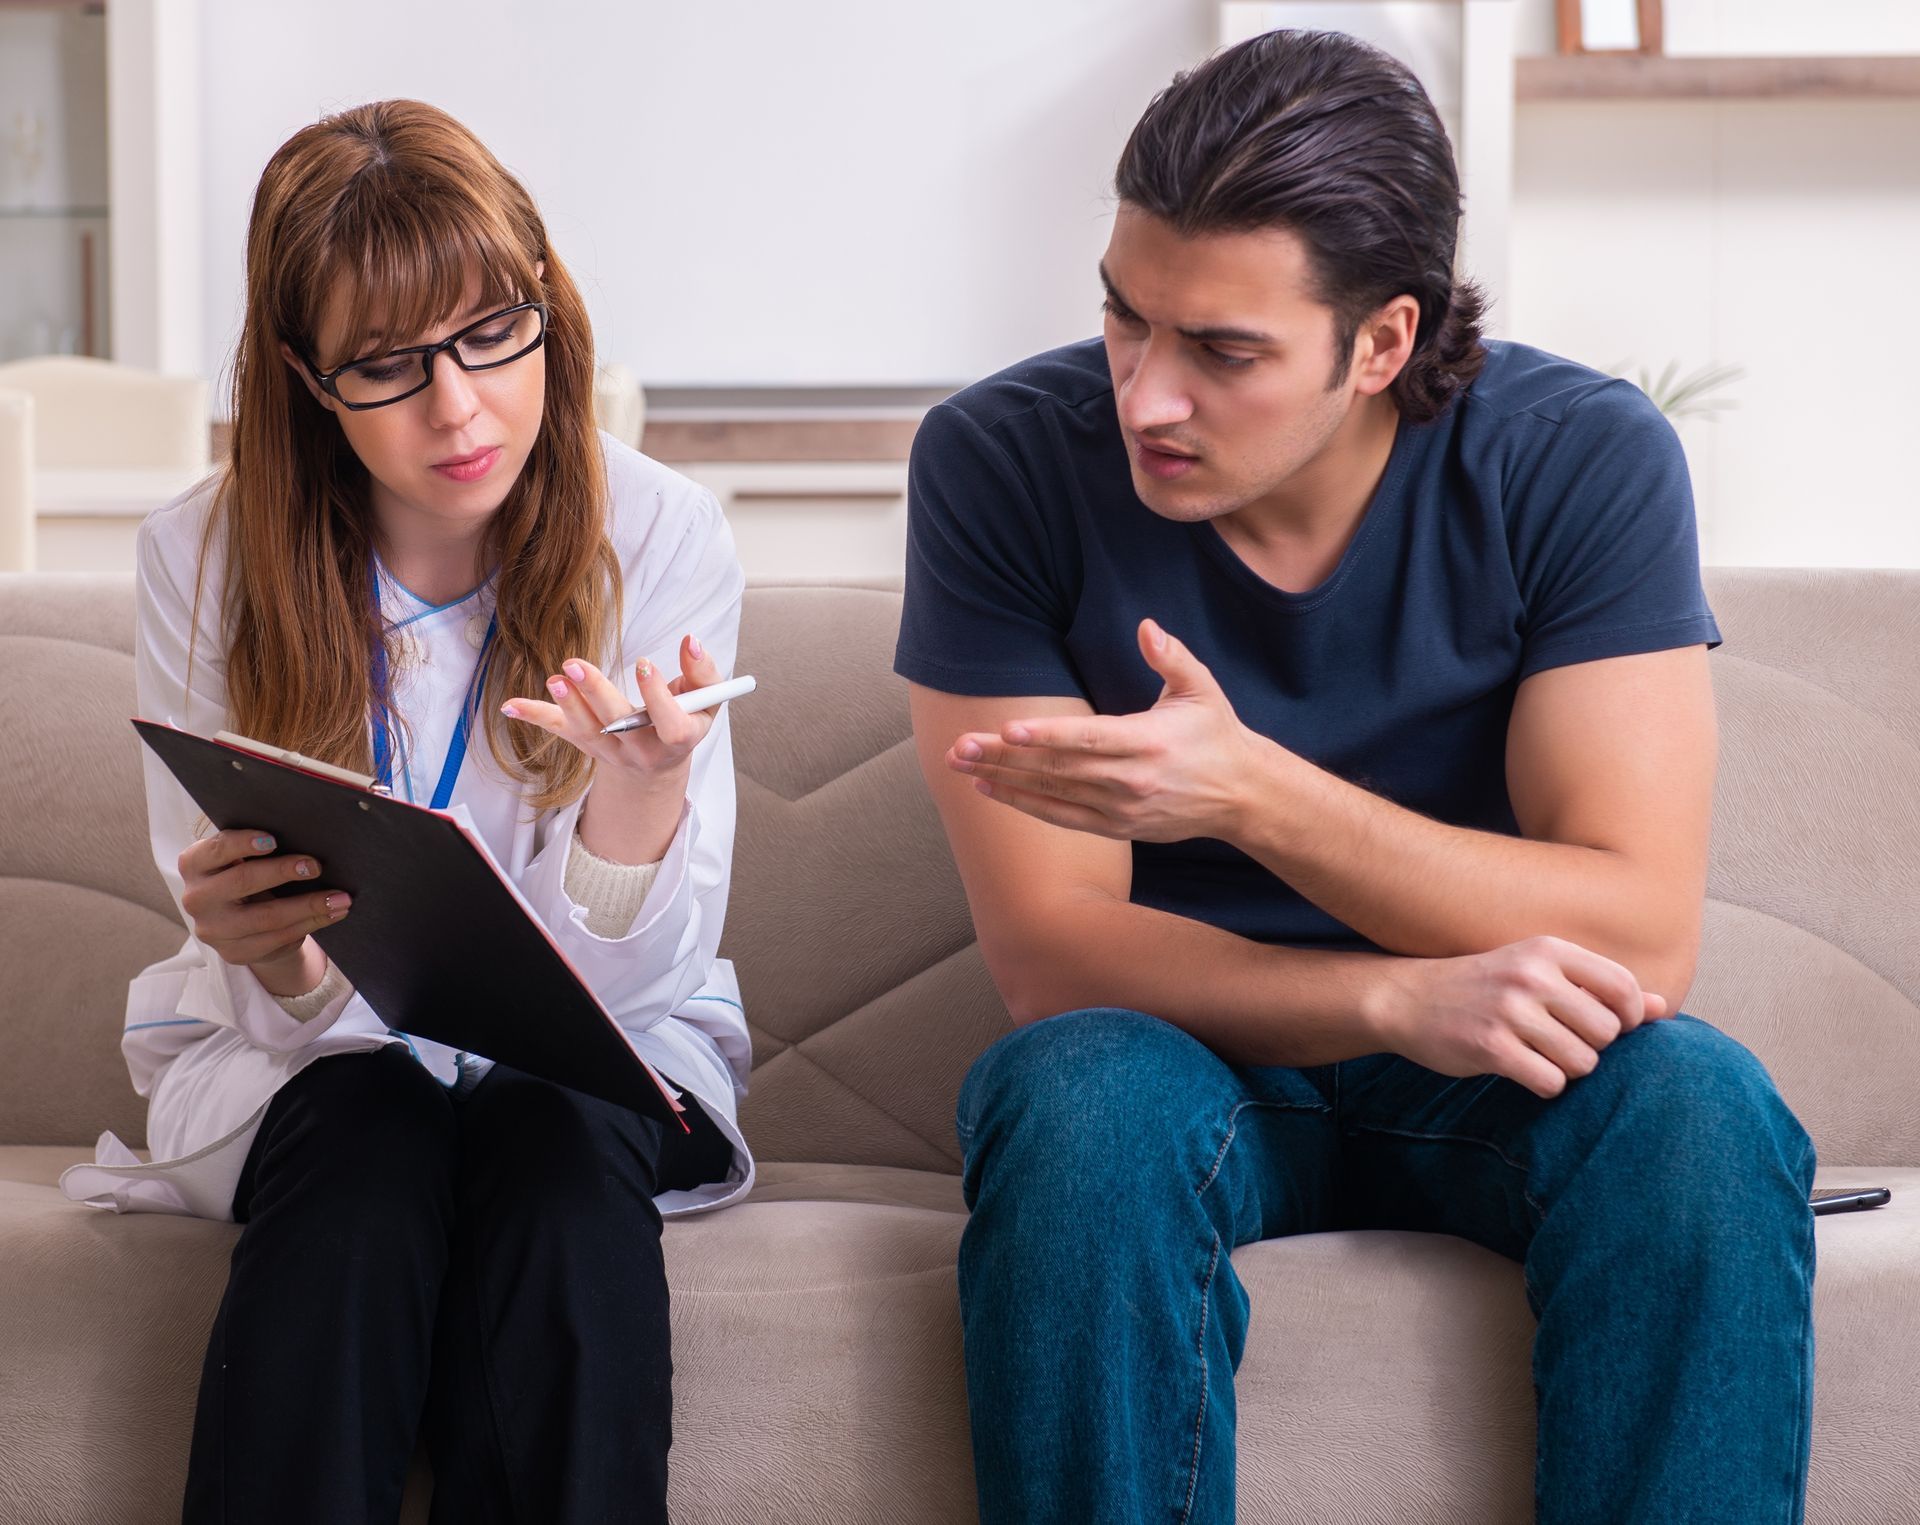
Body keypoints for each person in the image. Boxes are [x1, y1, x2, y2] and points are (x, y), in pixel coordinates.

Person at [896, 30, 1816, 1525]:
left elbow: (1639, 935)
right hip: (1175, 1051)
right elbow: (1054, 955)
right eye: (1125, 318)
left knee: (1698, 1107)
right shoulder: (999, 461)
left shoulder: (1576, 459)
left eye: (1223, 351)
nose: (1145, 397)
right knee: (1076, 1101)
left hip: (1502, 1063)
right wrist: (1394, 998)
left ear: (1382, 342)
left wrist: (1253, 793)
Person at [58, 99, 753, 1524]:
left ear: (547, 305)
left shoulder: (661, 532)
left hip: (599, 1057)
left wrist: (640, 800)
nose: (460, 407)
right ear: (306, 378)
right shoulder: (202, 554)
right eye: (386, 364)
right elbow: (254, 947)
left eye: (494, 332)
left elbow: (628, 1005)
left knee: (559, 1140)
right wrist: (276, 956)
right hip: (310, 1061)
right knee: (366, 1134)